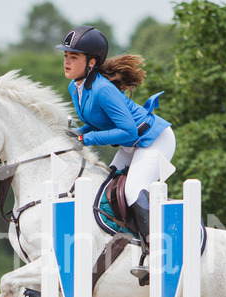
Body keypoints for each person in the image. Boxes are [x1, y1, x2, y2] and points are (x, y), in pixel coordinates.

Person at [56, 25, 176, 281]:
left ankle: (159, 256)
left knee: (133, 189)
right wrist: (73, 133)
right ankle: (126, 240)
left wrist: (85, 138)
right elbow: (96, 122)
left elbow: (129, 132)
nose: (66, 61)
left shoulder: (102, 89)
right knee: (104, 185)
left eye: (73, 57)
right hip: (133, 143)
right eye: (66, 55)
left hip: (155, 140)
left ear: (91, 63)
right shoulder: (75, 88)